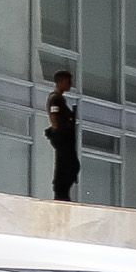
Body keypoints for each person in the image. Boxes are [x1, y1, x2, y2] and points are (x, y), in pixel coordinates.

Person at [45, 70, 80, 202]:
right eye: (68, 81)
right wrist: (56, 131)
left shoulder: (59, 98)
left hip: (65, 138)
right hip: (62, 138)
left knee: (69, 165)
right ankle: (61, 193)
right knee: (68, 165)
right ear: (61, 81)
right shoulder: (55, 98)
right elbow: (54, 115)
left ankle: (62, 192)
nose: (70, 84)